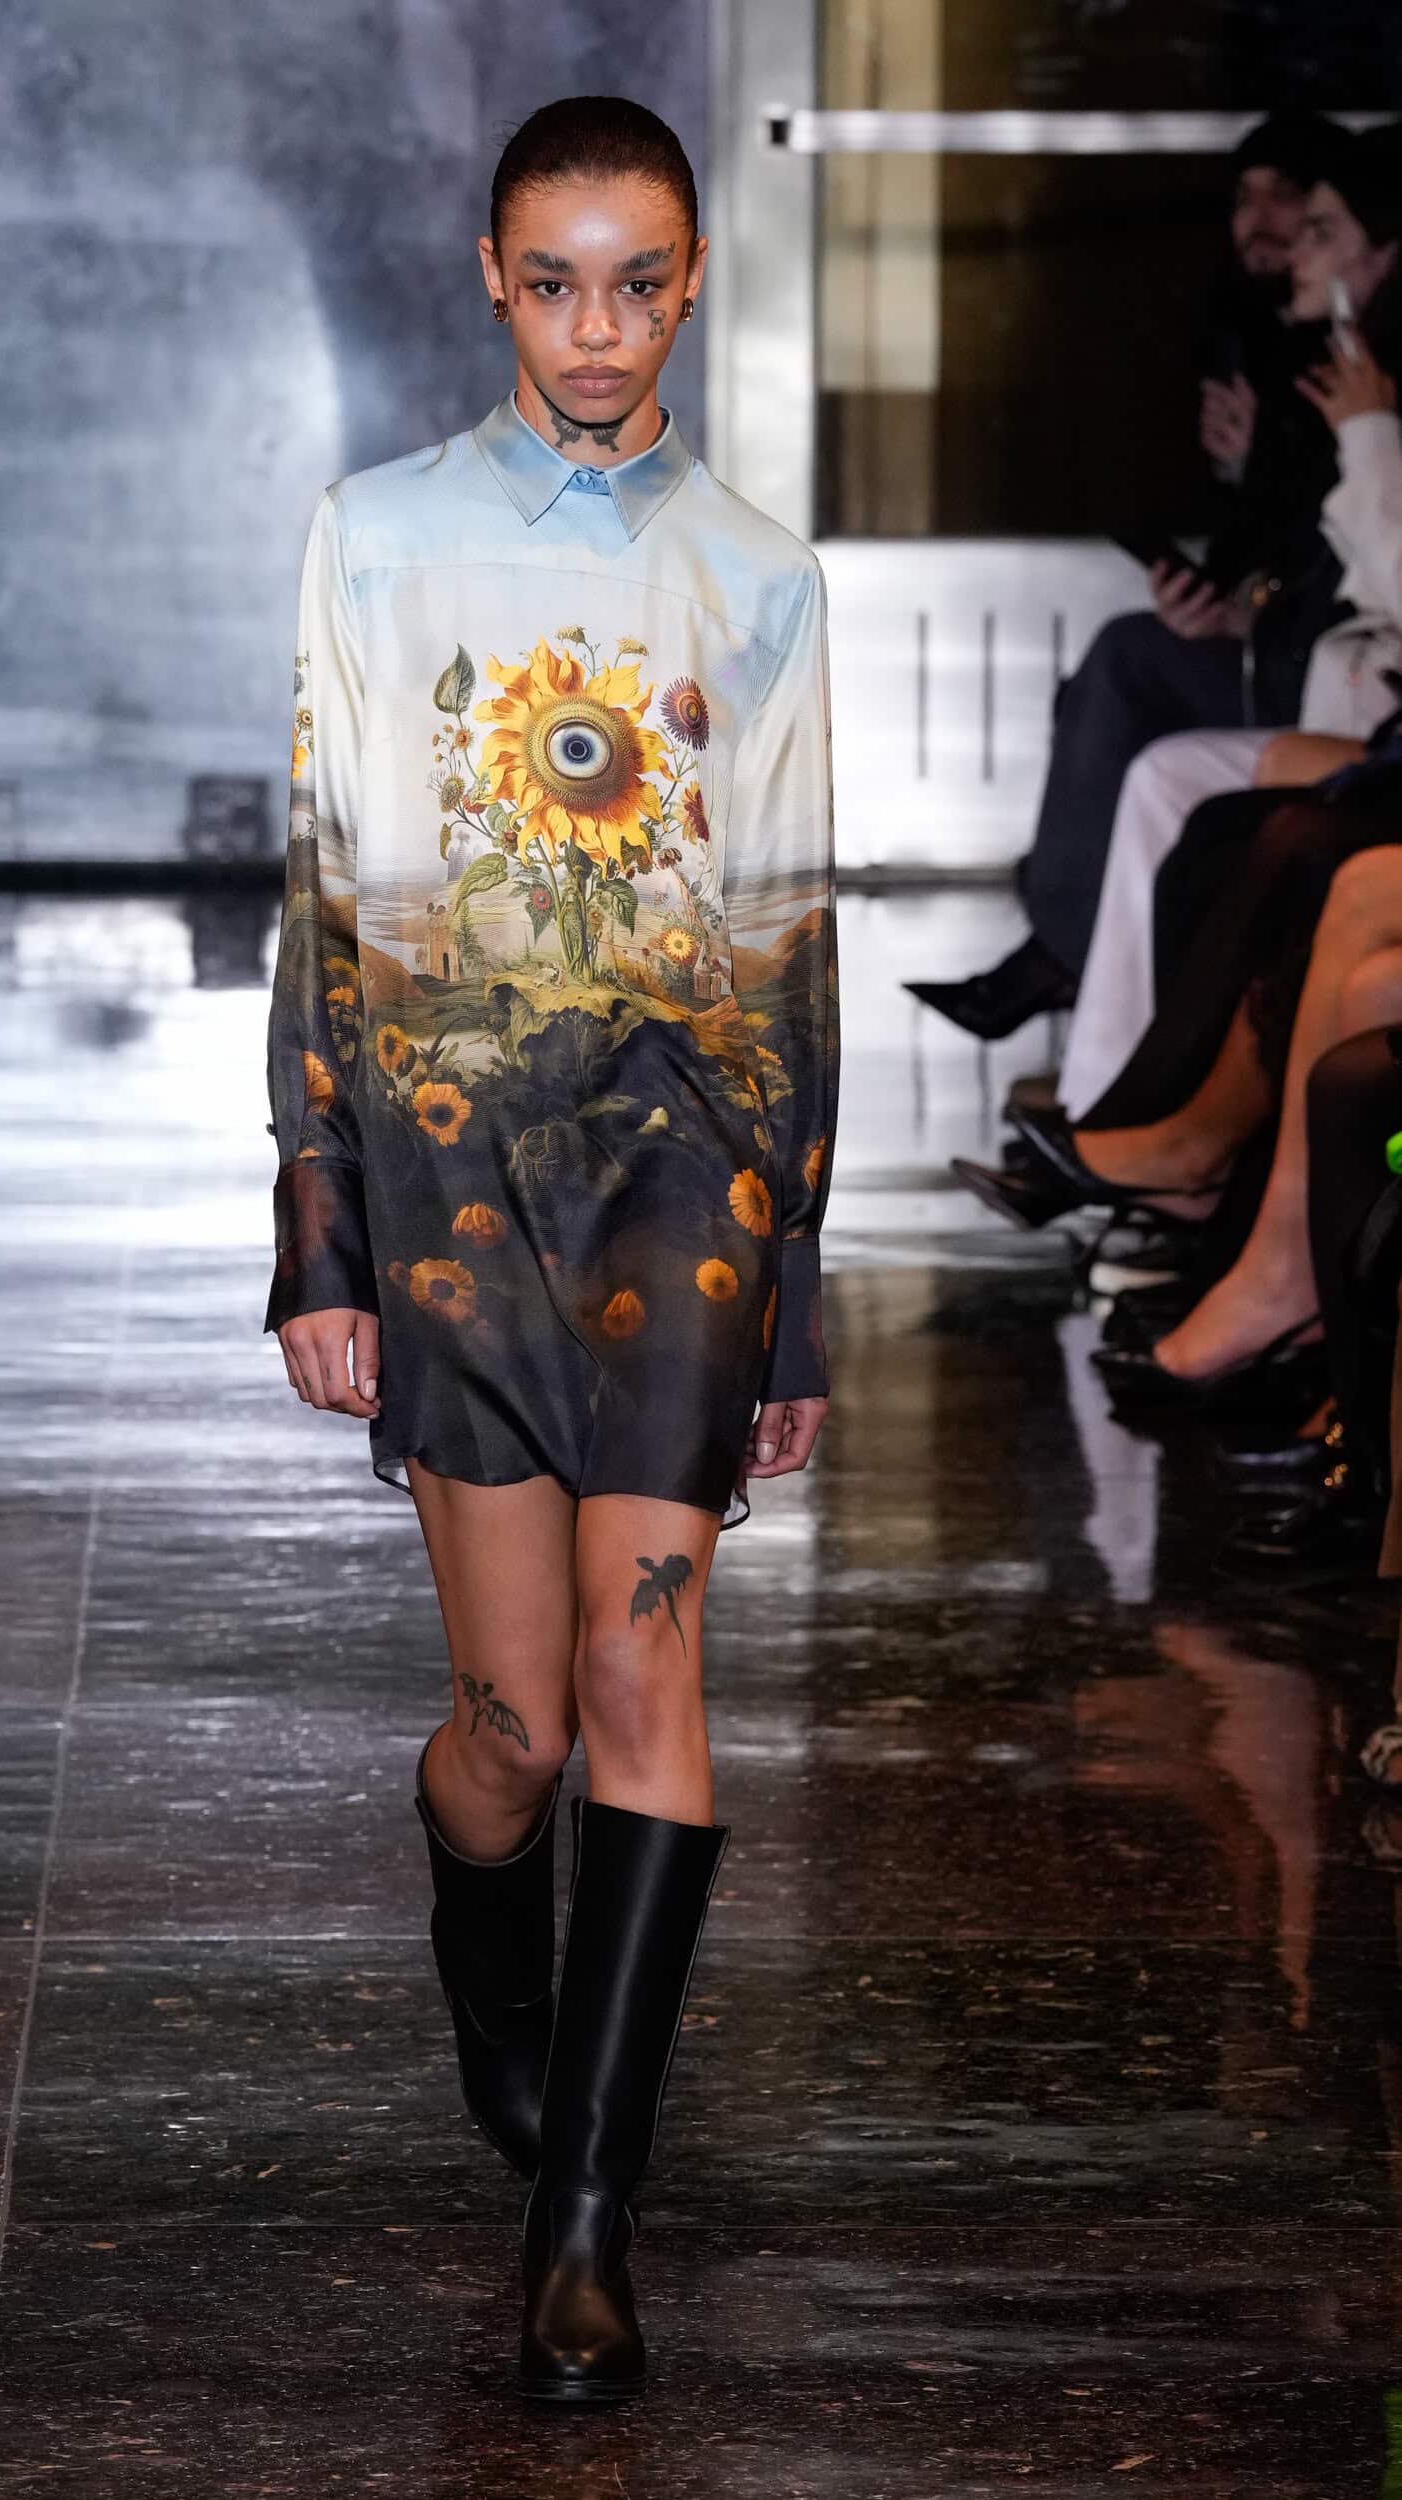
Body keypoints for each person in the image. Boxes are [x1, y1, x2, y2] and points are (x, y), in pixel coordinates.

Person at [261, 96, 839, 2404]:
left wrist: (797, 1290)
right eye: (551, 281)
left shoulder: (761, 575)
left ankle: (586, 2227)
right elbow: (324, 889)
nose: (596, 327)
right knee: (510, 1724)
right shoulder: (379, 536)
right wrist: (315, 1229)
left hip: (685, 1173)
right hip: (450, 1170)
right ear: (491, 281)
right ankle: (484, 1938)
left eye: (638, 281)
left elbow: (786, 941)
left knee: (636, 1674)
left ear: (687, 282)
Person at [907, 111, 1352, 1040]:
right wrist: (1217, 570)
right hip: (1277, 643)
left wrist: (1250, 581)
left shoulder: (1351, 356)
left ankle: (1065, 961)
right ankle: (1077, 970)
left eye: (1290, 201)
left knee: (1124, 670)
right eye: (1244, 197)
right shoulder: (1251, 333)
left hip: (1331, 669)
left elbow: (1343, 543)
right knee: (1113, 678)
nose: (1260, 220)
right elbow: (1263, 529)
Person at [1055, 139, 1402, 1119]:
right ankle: (1103, 1101)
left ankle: (1120, 1108)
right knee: (1152, 727)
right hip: (1326, 681)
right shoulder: (1317, 368)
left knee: (1200, 792)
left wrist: (1363, 438)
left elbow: (1373, 579)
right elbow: (1288, 553)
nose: (1291, 246)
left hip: (1362, 707)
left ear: (1383, 254)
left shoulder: (1364, 394)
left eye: (1319, 227)